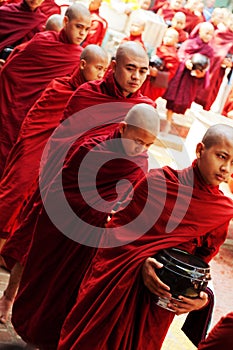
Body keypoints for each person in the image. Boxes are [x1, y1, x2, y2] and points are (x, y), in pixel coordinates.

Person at [1, 40, 153, 326]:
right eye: (130, 68)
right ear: (113, 67)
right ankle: (10, 296)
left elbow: (140, 154)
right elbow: (63, 140)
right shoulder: (87, 94)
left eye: (143, 71)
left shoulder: (144, 107)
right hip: (64, 182)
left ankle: (52, 318)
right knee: (33, 239)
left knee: (74, 260)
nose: (136, 76)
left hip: (104, 194)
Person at [56, 124, 233, 350]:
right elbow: (114, 236)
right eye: (221, 156)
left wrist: (200, 297)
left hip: (157, 305)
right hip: (116, 291)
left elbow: (201, 263)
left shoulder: (221, 210)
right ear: (200, 150)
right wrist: (139, 263)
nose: (226, 168)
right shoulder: (159, 182)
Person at [12, 103, 160, 350]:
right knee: (46, 286)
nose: (141, 149)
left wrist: (116, 217)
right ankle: (31, 335)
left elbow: (128, 201)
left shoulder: (140, 162)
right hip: (62, 234)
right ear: (123, 129)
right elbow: (63, 192)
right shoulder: (90, 149)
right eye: (137, 141)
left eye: (148, 145)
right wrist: (99, 212)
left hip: (92, 244)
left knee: (70, 298)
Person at [0, 44, 109, 271]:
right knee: (18, 186)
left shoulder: (95, 98)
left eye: (104, 70)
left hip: (57, 160)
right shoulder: (59, 87)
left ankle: (12, 252)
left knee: (35, 203)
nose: (101, 74)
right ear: (82, 65)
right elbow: (35, 122)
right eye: (98, 68)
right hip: (36, 148)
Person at [0, 3, 91, 179]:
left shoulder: (80, 59)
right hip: (14, 109)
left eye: (86, 29)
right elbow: (12, 70)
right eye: (79, 27)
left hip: (40, 118)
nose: (83, 33)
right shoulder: (43, 40)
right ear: (66, 22)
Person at [163, 21, 214, 127]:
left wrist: (202, 72)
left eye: (211, 34)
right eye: (206, 33)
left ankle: (171, 120)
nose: (209, 36)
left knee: (184, 101)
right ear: (200, 32)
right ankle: (168, 120)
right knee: (173, 100)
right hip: (182, 76)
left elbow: (208, 65)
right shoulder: (190, 43)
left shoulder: (209, 50)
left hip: (192, 79)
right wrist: (186, 61)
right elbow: (180, 55)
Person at [141, 27, 179, 102]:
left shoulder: (173, 57)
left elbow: (171, 74)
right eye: (165, 36)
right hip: (146, 78)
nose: (166, 38)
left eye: (170, 37)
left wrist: (157, 74)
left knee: (146, 101)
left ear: (176, 40)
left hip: (155, 83)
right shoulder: (158, 47)